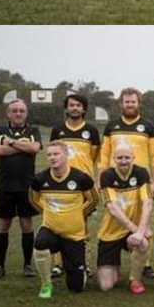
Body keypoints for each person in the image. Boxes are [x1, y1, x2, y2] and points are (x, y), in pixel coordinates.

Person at [98, 87, 154, 277]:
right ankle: (112, 252)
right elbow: (104, 155)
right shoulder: (112, 126)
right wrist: (99, 179)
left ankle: (145, 263)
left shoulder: (148, 126)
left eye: (133, 101)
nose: (130, 105)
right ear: (121, 104)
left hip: (140, 182)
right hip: (115, 181)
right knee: (115, 216)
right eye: (127, 102)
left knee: (144, 220)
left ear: (138, 103)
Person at [29, 141, 98, 299]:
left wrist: (78, 214)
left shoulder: (81, 178)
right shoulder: (40, 179)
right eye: (49, 155)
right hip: (51, 229)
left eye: (56, 154)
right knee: (40, 243)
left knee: (76, 287)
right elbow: (33, 200)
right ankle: (46, 283)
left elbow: (93, 200)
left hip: (74, 234)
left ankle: (76, 269)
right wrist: (48, 214)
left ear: (66, 155)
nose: (52, 158)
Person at [49, 93, 101, 278]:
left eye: (78, 105)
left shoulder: (91, 131)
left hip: (83, 185)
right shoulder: (58, 130)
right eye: (71, 105)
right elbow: (53, 154)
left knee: (82, 224)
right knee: (58, 222)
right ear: (66, 108)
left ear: (84, 109)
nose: (75, 108)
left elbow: (94, 157)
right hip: (60, 183)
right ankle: (57, 264)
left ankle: (83, 263)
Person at [0, 99, 42, 279]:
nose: (18, 113)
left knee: (26, 224)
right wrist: (23, 147)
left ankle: (27, 265)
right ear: (8, 113)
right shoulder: (0, 130)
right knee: (3, 224)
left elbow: (35, 148)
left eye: (21, 110)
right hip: (5, 185)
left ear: (26, 113)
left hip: (27, 185)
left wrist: (10, 143)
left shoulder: (33, 130)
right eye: (14, 110)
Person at [96, 141, 153, 295]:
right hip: (111, 232)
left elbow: (147, 203)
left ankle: (135, 280)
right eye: (119, 157)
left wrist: (140, 232)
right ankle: (114, 268)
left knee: (142, 243)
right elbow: (112, 208)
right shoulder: (107, 176)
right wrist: (136, 229)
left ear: (133, 157)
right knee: (106, 285)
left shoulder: (141, 173)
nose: (123, 161)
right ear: (113, 158)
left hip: (132, 232)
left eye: (127, 157)